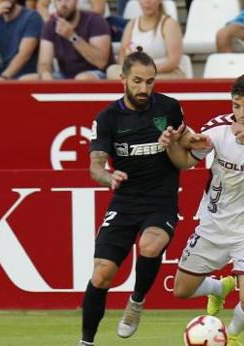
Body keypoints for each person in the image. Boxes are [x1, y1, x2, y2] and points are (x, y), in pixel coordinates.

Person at [79, 47, 209, 346]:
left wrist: (194, 142)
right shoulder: (108, 118)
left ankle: (136, 303)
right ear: (122, 78)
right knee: (102, 275)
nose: (144, 88)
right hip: (125, 201)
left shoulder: (169, 108)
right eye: (137, 81)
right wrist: (108, 177)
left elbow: (186, 151)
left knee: (151, 245)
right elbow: (95, 165)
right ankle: (86, 341)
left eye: (150, 81)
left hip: (160, 200)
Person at [162, 73, 244, 346]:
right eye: (236, 106)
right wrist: (173, 144)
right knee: (181, 290)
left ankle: (231, 334)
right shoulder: (218, 128)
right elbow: (185, 162)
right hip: (214, 226)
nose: (241, 113)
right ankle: (219, 288)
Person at [21, 0, 111, 80]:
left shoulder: (95, 20)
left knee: (82, 79)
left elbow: (101, 62)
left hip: (97, 74)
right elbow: (44, 62)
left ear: (76, 1)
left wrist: (72, 37)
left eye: (68, 0)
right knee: (26, 79)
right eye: (59, 0)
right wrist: (46, 74)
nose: (63, 4)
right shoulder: (51, 24)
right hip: (65, 75)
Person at [106, 0, 184, 80]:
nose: (147, 1)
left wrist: (146, 71)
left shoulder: (169, 24)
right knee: (112, 70)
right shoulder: (131, 24)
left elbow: (173, 61)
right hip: (135, 74)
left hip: (161, 73)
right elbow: (122, 55)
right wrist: (132, 70)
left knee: (146, 80)